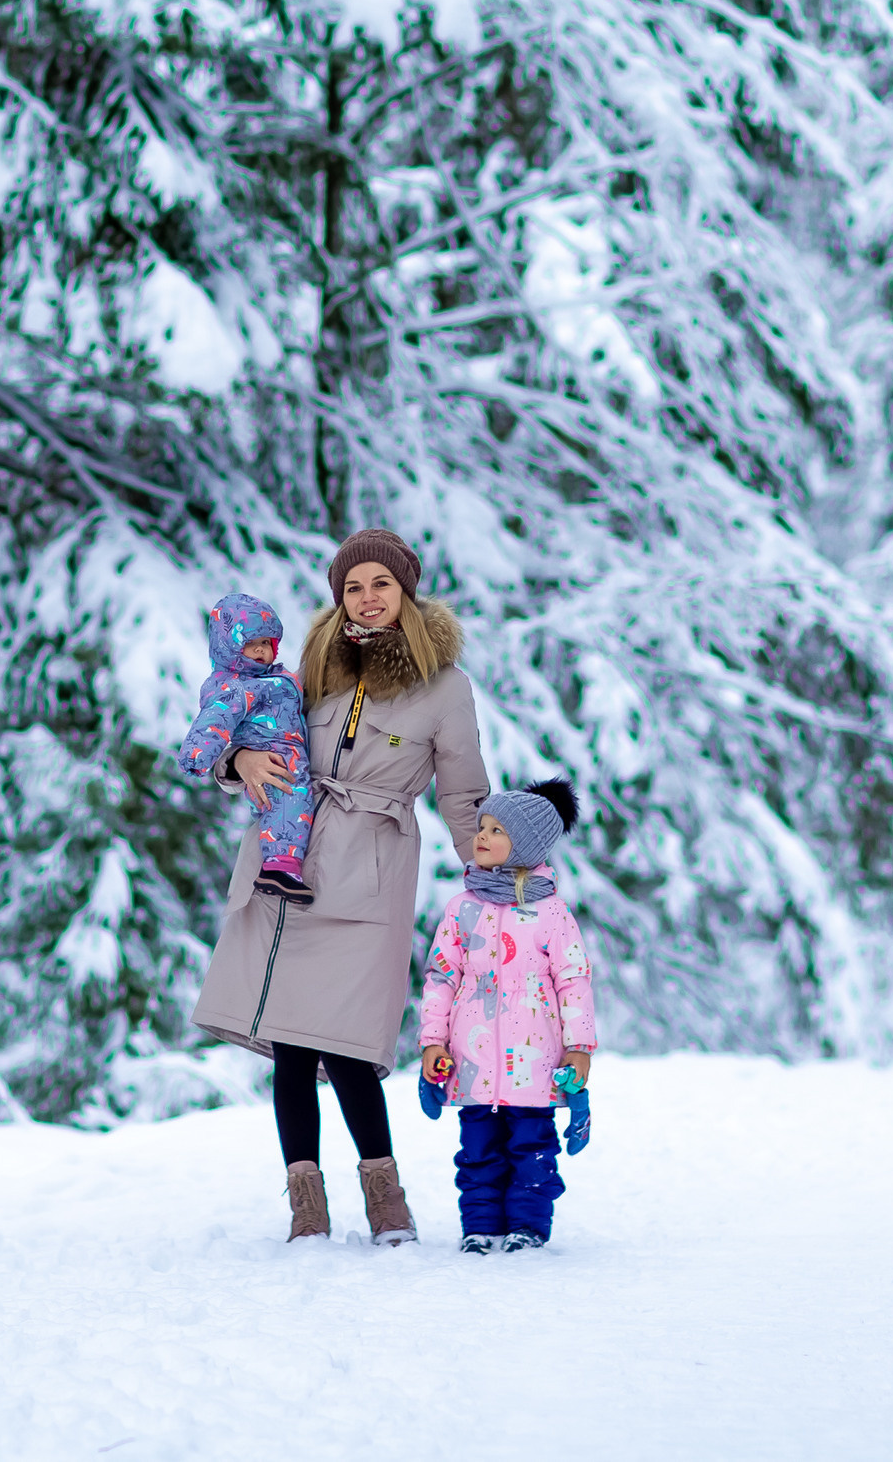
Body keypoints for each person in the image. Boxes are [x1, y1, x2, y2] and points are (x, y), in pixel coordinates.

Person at [193, 529, 489, 1246]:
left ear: (405, 591)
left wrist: (493, 877)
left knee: (352, 1044)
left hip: (375, 868)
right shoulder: (314, 665)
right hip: (290, 865)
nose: (367, 597)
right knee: (293, 1045)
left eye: (379, 584)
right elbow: (258, 732)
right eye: (353, 586)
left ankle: (385, 1197)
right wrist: (235, 761)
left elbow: (464, 793)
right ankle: (306, 1203)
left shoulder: (443, 683)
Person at [418, 779, 594, 1253]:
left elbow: (573, 980)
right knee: (477, 1152)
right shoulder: (461, 909)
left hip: (535, 1061)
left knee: (533, 1149)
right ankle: (479, 1226)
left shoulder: (551, 913)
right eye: (482, 827)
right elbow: (440, 976)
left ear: (526, 845)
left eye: (497, 830)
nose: (482, 837)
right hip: (471, 1059)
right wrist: (433, 1040)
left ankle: (529, 1226)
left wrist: (579, 1047)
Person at [176, 593, 314, 899]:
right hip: (273, 758)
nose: (263, 651)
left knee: (291, 802)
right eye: (254, 644)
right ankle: (280, 866)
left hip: (286, 752)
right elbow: (214, 720)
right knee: (289, 802)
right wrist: (197, 755)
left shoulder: (271, 679)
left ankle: (283, 864)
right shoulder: (237, 687)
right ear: (232, 648)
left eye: (267, 643)